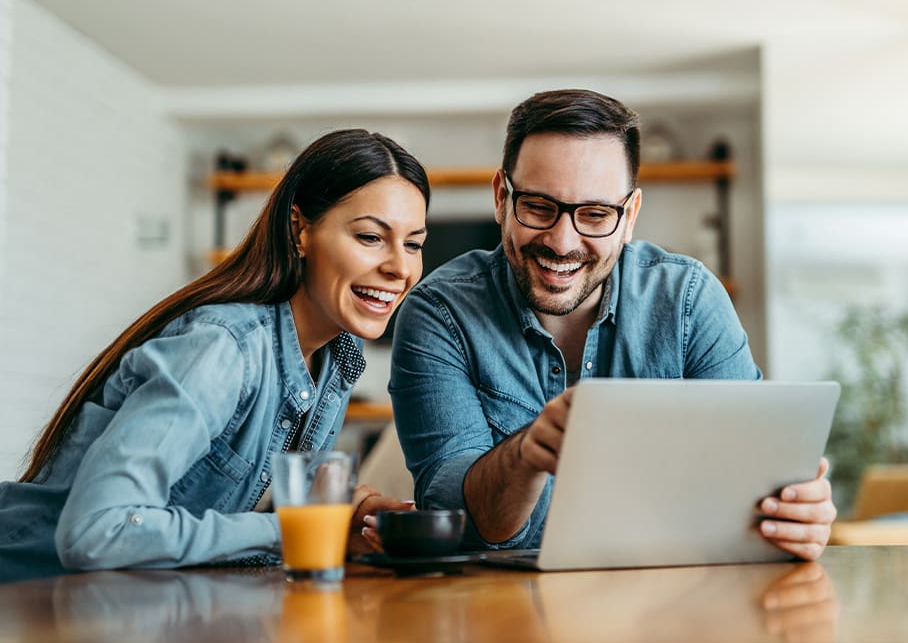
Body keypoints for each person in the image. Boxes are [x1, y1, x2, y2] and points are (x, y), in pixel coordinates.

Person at [390, 89, 837, 561]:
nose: (563, 242)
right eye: (539, 207)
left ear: (630, 216)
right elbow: (455, 522)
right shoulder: (438, 313)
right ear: (502, 197)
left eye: (595, 214)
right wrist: (524, 457)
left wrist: (795, 518)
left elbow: (748, 485)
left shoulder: (689, 300)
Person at [0, 129, 426, 573]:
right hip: (24, 600)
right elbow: (96, 532)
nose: (399, 267)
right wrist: (298, 530)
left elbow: (262, 503)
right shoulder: (222, 348)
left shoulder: (336, 355)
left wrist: (354, 515)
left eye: (413, 243)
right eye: (370, 237)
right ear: (300, 230)